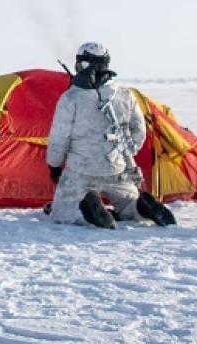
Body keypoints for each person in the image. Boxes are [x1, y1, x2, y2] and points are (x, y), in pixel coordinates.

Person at [46, 42, 176, 229]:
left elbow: (59, 139)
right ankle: (141, 207)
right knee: (127, 204)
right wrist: (121, 154)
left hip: (80, 171)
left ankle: (88, 209)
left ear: (81, 64)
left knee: (62, 211)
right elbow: (139, 132)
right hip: (117, 169)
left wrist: (54, 166)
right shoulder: (125, 95)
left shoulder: (71, 98)